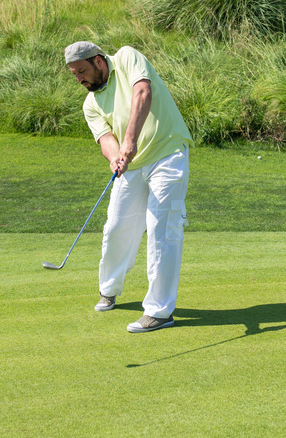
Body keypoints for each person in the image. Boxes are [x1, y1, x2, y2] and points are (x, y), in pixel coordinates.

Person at [64, 41, 192, 333]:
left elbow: (142, 92)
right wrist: (115, 158)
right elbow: (106, 140)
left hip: (167, 153)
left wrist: (130, 141)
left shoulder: (126, 58)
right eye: (73, 74)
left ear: (98, 61)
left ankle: (159, 311)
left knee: (162, 227)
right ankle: (109, 288)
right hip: (132, 165)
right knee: (116, 227)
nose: (79, 79)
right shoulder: (91, 103)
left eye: (82, 71)